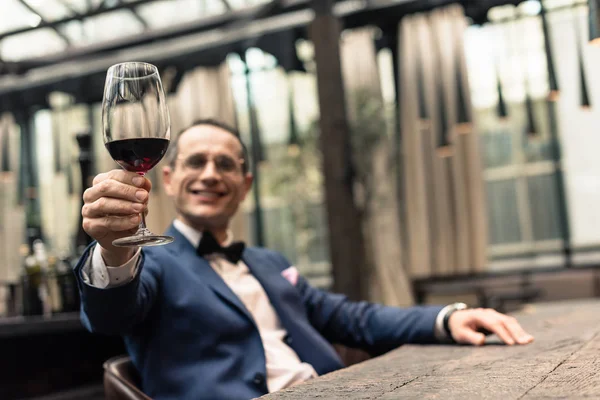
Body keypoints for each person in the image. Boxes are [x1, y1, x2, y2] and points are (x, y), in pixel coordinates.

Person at [75, 119, 534, 400]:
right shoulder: (150, 262)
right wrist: (115, 247)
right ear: (170, 178)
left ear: (246, 184)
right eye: (196, 162)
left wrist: (446, 319)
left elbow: (353, 318)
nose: (210, 174)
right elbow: (110, 314)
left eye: (226, 164)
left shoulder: (270, 263)